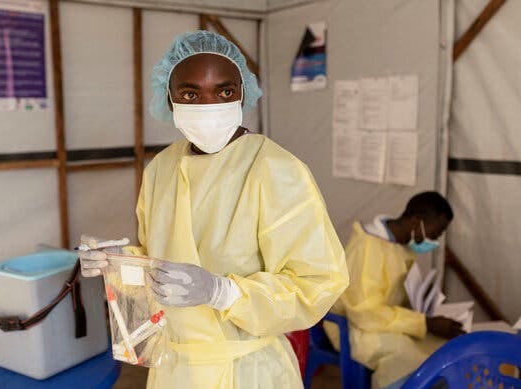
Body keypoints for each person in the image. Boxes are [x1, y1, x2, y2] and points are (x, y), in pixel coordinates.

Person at [78, 30, 348, 389]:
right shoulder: (161, 168)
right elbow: (158, 259)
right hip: (173, 366)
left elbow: (317, 282)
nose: (208, 105)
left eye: (224, 92)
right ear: (170, 100)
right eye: (190, 93)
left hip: (248, 370)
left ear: (242, 93)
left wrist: (223, 292)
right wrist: (119, 262)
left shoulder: (275, 170)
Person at [325, 191, 462, 389]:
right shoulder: (368, 247)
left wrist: (425, 315)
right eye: (435, 233)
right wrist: (424, 323)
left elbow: (399, 294)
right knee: (405, 355)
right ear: (417, 221)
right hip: (355, 326)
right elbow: (365, 312)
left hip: (386, 319)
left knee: (443, 347)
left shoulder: (400, 245)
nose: (435, 240)